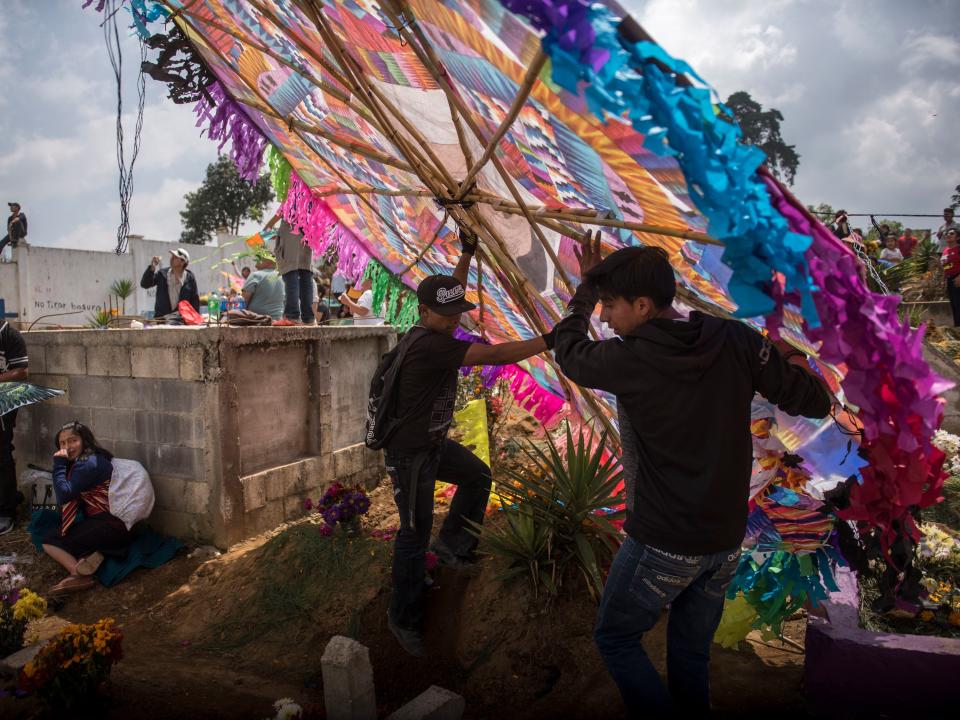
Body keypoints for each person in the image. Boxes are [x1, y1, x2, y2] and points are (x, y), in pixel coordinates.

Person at [552, 234, 831, 717]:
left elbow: (569, 349)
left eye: (611, 306)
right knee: (690, 650)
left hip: (663, 540)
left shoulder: (629, 359)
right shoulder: (735, 338)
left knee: (615, 639)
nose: (603, 317)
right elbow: (812, 400)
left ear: (642, 305)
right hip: (725, 538)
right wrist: (784, 353)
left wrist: (580, 292)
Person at [382, 228, 556, 658]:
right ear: (423, 312)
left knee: (478, 476)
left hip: (430, 445)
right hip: (409, 455)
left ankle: (453, 546)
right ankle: (403, 618)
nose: (456, 320)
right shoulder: (431, 346)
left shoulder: (431, 327)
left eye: (458, 312)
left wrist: (467, 251)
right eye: (448, 315)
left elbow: (450, 294)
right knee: (411, 535)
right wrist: (551, 340)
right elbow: (494, 356)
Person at [42, 422, 132, 596]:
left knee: (50, 540)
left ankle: (78, 575)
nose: (68, 447)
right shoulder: (93, 457)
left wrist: (59, 465)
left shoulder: (86, 463)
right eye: (62, 443)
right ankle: (89, 558)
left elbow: (63, 495)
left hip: (111, 527)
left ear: (84, 440)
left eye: (73, 440)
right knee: (76, 533)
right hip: (118, 526)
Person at [0, 320, 28, 536]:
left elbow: (20, 372)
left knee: (1, 451)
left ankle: (7, 511)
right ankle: (10, 497)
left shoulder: (9, 335)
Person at [274, 220, 314, 326]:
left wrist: (267, 229)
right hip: (307, 230)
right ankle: (308, 318)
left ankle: (292, 316)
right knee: (305, 271)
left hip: (292, 230)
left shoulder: (290, 203)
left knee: (291, 271)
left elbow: (282, 210)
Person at [140, 248, 200, 319]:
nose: (171, 259)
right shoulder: (162, 274)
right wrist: (152, 268)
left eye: (175, 257)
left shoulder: (190, 278)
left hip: (181, 321)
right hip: (162, 320)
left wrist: (195, 319)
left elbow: (194, 301)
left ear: (183, 262)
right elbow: (145, 284)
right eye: (172, 256)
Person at [241, 253, 285, 320]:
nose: (256, 264)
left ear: (268, 261)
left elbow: (244, 300)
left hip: (257, 318)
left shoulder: (256, 275)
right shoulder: (283, 276)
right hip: (278, 318)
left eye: (258, 260)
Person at [941, 228, 960, 326]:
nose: (948, 235)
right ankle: (957, 328)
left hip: (958, 278)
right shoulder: (945, 250)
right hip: (949, 279)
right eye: (947, 233)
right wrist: (944, 279)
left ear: (958, 237)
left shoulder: (958, 248)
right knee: (954, 305)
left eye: (952, 233)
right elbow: (947, 266)